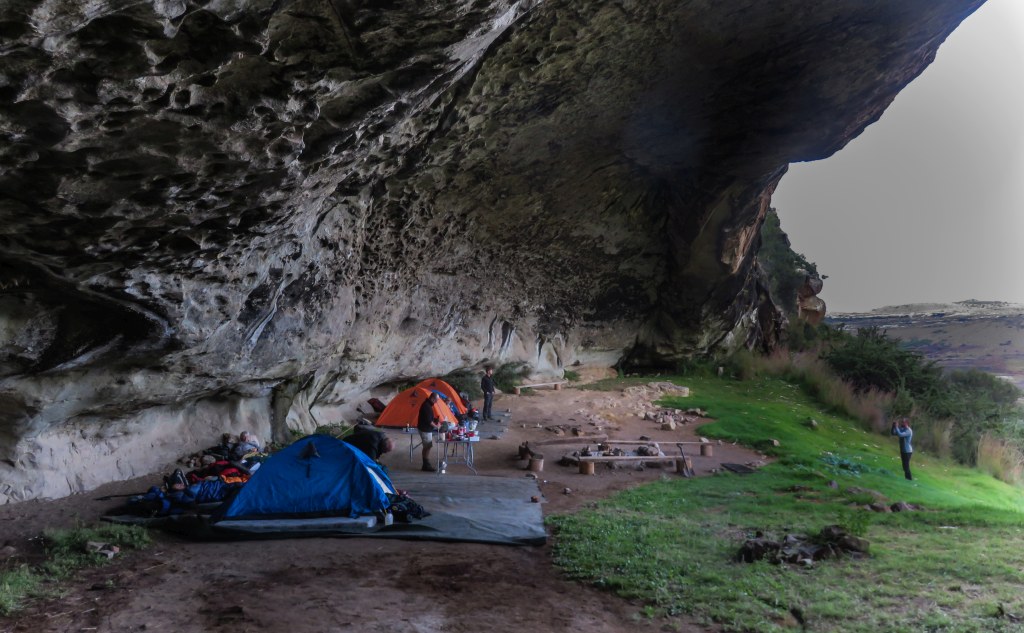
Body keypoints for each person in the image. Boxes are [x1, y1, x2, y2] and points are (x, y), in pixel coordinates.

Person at [417, 392, 444, 471]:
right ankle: (426, 465)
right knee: (427, 446)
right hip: (425, 429)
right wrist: (437, 427)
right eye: (436, 400)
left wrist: (435, 420)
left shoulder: (427, 405)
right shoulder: (427, 406)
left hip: (425, 428)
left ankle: (425, 464)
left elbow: (428, 417)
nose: (437, 402)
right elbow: (429, 421)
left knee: (427, 446)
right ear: (432, 398)